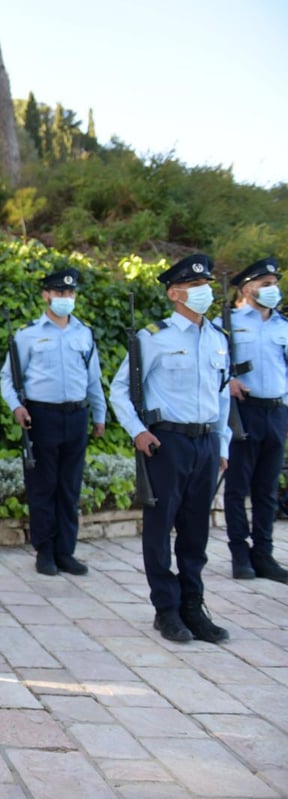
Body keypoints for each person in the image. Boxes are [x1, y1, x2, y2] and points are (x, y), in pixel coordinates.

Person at [109, 253, 231, 644]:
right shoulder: (152, 337)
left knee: (196, 532)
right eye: (195, 287)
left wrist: (223, 443)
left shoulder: (218, 339)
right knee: (160, 530)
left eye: (206, 285)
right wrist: (138, 432)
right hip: (167, 443)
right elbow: (119, 391)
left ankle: (193, 607)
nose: (204, 292)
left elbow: (223, 397)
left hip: (207, 442)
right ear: (174, 293)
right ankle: (166, 609)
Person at [0, 268, 107, 576]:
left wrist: (99, 415)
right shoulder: (28, 334)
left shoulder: (83, 334)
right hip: (40, 416)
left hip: (76, 415)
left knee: (70, 487)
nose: (65, 299)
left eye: (70, 294)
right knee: (43, 486)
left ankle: (66, 551)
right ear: (46, 295)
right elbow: (8, 377)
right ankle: (44, 550)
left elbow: (93, 379)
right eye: (60, 293)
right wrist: (17, 407)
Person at [221, 257, 288, 582]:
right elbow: (216, 369)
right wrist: (228, 382)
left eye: (274, 284)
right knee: (237, 488)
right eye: (266, 284)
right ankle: (239, 554)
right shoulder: (229, 323)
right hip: (243, 411)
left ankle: (264, 554)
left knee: (267, 488)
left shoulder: (283, 326)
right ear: (247, 288)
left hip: (276, 411)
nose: (273, 289)